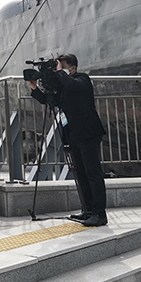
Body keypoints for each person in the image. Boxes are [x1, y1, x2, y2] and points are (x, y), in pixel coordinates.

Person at [28, 54, 107, 226]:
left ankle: (100, 214)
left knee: (93, 174)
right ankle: (88, 211)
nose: (58, 71)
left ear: (72, 67)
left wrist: (59, 73)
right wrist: (34, 88)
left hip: (88, 133)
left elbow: (73, 85)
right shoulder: (63, 86)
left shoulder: (82, 79)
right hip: (72, 134)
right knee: (81, 174)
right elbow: (49, 101)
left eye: (61, 67)